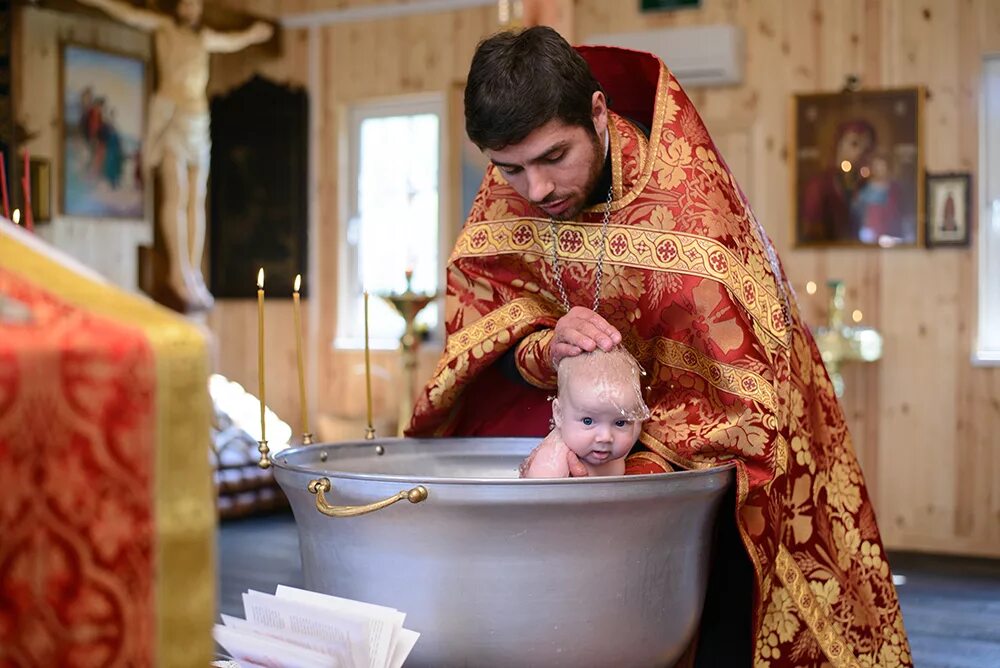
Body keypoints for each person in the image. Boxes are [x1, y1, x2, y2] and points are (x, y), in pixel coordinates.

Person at [407, 27, 912, 666]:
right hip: (581, 455)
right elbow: (483, 314)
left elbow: (740, 414)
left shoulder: (691, 212)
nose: (535, 191)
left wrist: (616, 468)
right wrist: (545, 348)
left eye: (554, 157)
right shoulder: (512, 190)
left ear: (597, 113)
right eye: (511, 168)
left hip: (710, 477)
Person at [76, 0, 273, 311]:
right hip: (172, 116)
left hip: (198, 119)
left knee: (198, 198)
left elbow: (231, 41)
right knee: (176, 194)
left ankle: (193, 271)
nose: (192, 7)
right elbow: (130, 14)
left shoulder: (203, 37)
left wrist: (252, 34)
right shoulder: (165, 29)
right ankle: (177, 270)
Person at [519, 347, 650, 478]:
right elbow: (538, 494)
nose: (605, 437)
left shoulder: (623, 440)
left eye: (620, 423)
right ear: (559, 414)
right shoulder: (554, 461)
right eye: (588, 421)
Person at [800, 118, 876, 242]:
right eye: (854, 143)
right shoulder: (819, 185)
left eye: (866, 147)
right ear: (839, 144)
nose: (860, 152)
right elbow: (812, 229)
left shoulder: (868, 184)